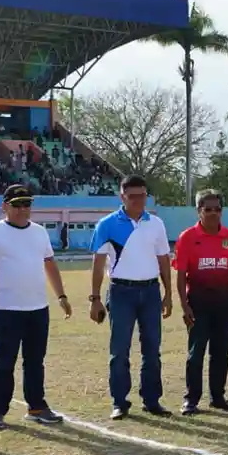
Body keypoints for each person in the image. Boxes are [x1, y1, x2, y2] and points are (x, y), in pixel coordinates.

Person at [0, 184, 72, 430]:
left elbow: (49, 264)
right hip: (7, 308)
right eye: (17, 205)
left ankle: (36, 407)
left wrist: (61, 295)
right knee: (4, 362)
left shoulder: (39, 232)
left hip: (38, 308)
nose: (23, 209)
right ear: (5, 206)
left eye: (27, 204)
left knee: (35, 361)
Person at [88, 175, 174, 420]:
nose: (138, 201)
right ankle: (119, 402)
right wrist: (94, 298)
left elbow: (163, 260)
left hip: (150, 291)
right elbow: (98, 262)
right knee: (120, 350)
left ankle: (151, 400)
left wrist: (167, 293)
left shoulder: (156, 223)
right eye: (132, 196)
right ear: (122, 196)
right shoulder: (106, 224)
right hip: (120, 292)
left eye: (143, 196)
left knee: (152, 349)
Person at [173, 190, 228, 415]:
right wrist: (184, 305)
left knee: (221, 351)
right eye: (208, 209)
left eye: (218, 209)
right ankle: (191, 399)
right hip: (198, 301)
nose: (214, 213)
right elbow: (180, 274)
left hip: (224, 301)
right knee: (196, 352)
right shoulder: (187, 237)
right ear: (199, 211)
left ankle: (218, 397)